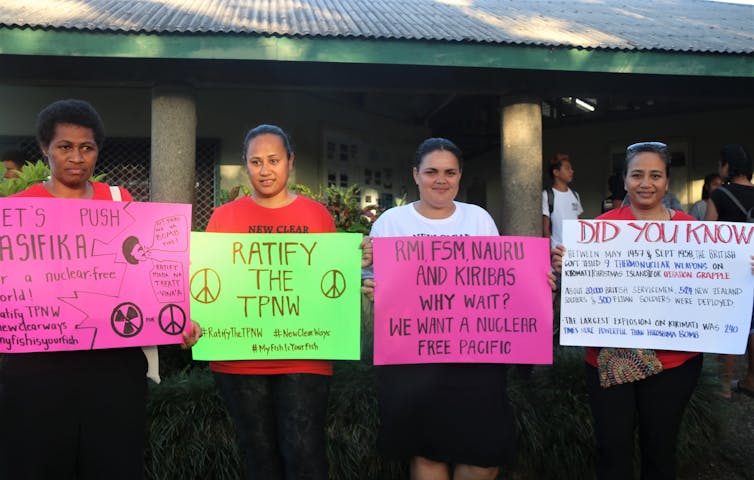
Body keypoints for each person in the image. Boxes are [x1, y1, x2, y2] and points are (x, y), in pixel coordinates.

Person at [0, 99, 201, 479]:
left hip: (111, 370)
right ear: (45, 149)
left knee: (112, 463)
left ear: (97, 152)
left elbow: (146, 276)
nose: (76, 157)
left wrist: (177, 319)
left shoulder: (120, 202)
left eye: (86, 147)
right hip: (38, 373)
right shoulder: (15, 212)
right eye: (64, 146)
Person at [362, 138, 555, 480]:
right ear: (416, 175)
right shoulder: (390, 223)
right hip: (414, 358)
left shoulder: (478, 218)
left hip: (475, 356)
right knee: (427, 452)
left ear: (460, 176)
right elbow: (369, 281)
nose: (441, 179)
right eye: (432, 171)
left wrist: (538, 285)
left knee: (484, 454)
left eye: (449, 172)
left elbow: (500, 281)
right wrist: (368, 282)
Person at [553, 142, 703, 480]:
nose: (645, 183)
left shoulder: (694, 231)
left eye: (655, 175)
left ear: (666, 182)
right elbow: (584, 285)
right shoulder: (599, 229)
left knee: (661, 449)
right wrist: (568, 265)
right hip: (609, 357)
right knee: (612, 450)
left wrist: (742, 267)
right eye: (637, 175)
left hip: (674, 362)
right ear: (624, 181)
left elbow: (715, 277)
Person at [204, 124, 337, 480]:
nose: (265, 170)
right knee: (259, 456)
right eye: (256, 161)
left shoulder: (317, 216)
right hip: (239, 358)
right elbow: (210, 284)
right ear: (245, 165)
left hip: (304, 353)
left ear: (290, 162)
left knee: (305, 453)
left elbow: (331, 284)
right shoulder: (223, 218)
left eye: (274, 160)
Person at [705, 144, 754, 398]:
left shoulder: (719, 195)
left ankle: (724, 386)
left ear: (728, 166)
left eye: (720, 163)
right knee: (753, 326)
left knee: (729, 326)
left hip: (729, 271)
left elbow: (708, 237)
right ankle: (751, 380)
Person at [543, 153, 583, 249]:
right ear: (556, 172)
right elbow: (545, 228)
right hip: (557, 250)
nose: (572, 171)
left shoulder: (575, 195)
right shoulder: (547, 195)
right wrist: (549, 250)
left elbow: (579, 222)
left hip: (575, 249)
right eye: (567, 168)